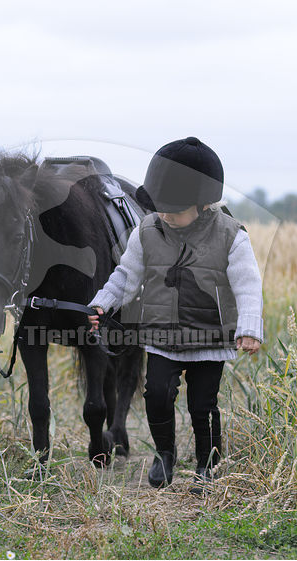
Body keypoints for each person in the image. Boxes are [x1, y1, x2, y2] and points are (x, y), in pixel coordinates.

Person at [87, 136, 263, 492]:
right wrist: (103, 302)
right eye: (160, 207)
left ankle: (207, 465)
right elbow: (126, 275)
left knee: (203, 405)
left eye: (174, 209)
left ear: (202, 203)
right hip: (162, 336)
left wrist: (249, 327)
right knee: (157, 396)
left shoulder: (231, 236)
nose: (165, 215)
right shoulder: (148, 231)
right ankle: (164, 453)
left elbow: (248, 285)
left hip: (210, 337)